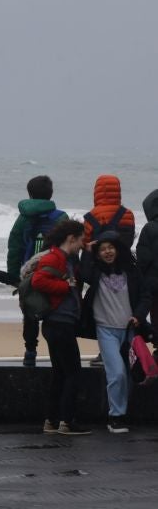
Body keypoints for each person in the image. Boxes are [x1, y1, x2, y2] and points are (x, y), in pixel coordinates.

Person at [79, 231, 151, 434]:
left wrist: (138, 315)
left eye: (111, 248)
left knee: (129, 375)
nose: (107, 252)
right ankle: (115, 417)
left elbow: (145, 296)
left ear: (118, 249)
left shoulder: (132, 272)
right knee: (117, 373)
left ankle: (122, 412)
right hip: (106, 330)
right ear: (98, 253)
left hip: (130, 331)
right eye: (102, 249)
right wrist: (87, 251)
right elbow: (83, 274)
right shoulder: (95, 272)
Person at [33, 219, 89, 435]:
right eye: (81, 240)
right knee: (73, 373)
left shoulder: (66, 258)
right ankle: (67, 422)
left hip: (58, 323)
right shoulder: (55, 257)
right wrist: (66, 286)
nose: (83, 244)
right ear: (71, 238)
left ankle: (52, 421)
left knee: (60, 373)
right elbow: (39, 281)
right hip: (59, 322)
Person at [7, 176, 68, 366]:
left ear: (30, 194)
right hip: (54, 272)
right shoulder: (61, 217)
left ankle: (30, 351)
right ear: (51, 194)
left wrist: (13, 275)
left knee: (30, 313)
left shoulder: (23, 218)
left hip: (28, 273)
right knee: (54, 312)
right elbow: (68, 247)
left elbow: (15, 246)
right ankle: (56, 353)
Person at [82, 174, 136, 367]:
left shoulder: (89, 217)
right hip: (124, 268)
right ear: (118, 191)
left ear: (96, 192)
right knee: (125, 309)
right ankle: (128, 351)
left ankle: (104, 351)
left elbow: (86, 245)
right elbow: (129, 241)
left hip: (98, 272)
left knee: (103, 313)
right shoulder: (127, 214)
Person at [135, 189, 158, 339]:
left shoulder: (150, 228)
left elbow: (143, 258)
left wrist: (138, 278)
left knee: (156, 315)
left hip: (153, 282)